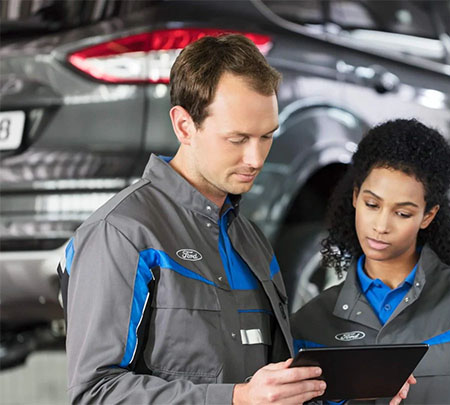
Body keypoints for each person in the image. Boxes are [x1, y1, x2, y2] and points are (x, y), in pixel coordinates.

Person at [59, 34, 330, 404]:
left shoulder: (252, 242)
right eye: (238, 139)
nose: (256, 158)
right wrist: (234, 398)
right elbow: (94, 393)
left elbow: (273, 386)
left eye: (267, 137)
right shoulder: (123, 234)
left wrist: (349, 391)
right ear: (184, 126)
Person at [291, 119, 450, 404]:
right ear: (356, 196)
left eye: (403, 213)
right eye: (372, 205)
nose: (381, 225)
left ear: (428, 215)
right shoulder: (310, 324)